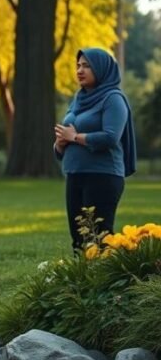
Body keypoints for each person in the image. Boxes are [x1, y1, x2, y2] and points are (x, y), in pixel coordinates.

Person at [54, 48, 137, 251]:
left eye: (87, 66)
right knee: (78, 239)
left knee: (98, 238)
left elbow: (110, 137)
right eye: (78, 66)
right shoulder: (78, 99)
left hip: (103, 175)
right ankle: (82, 282)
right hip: (75, 174)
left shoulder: (113, 99)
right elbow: (64, 139)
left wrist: (74, 137)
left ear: (101, 69)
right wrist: (60, 144)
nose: (80, 70)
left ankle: (105, 282)